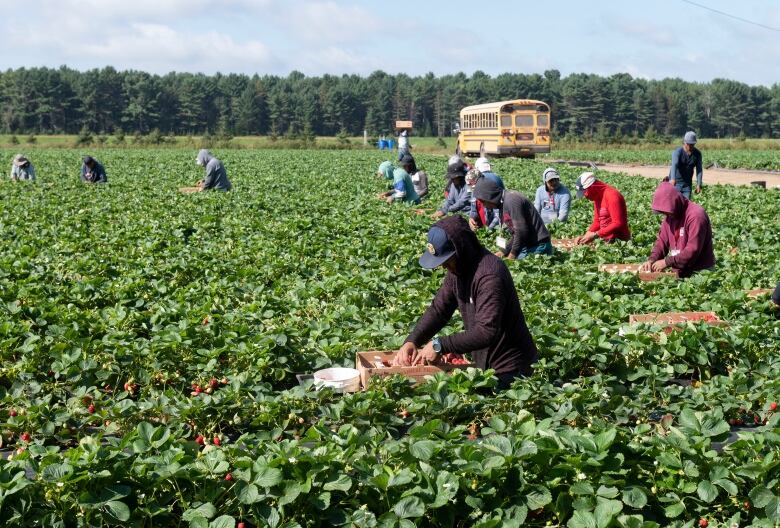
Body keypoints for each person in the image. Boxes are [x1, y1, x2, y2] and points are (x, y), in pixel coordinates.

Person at [393, 215, 538, 389]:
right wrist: (413, 341)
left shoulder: (489, 274)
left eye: (447, 261)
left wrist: (440, 344)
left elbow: (486, 331)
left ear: (462, 249)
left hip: (511, 370)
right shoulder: (458, 270)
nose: (444, 266)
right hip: (484, 367)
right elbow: (439, 310)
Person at [639, 182, 715, 278]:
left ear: (675, 203)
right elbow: (662, 242)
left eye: (667, 212)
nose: (666, 215)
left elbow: (693, 250)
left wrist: (667, 262)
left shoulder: (696, 216)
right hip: (680, 269)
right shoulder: (670, 215)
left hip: (700, 272)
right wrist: (652, 260)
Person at [473, 178, 553, 259]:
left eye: (483, 202)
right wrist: (503, 252)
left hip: (539, 246)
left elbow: (521, 231)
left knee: (510, 266)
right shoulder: (504, 202)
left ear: (489, 196)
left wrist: (512, 255)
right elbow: (516, 234)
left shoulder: (512, 200)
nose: (484, 206)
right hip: (529, 245)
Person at [573, 172, 630, 245]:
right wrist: (585, 237)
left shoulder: (612, 196)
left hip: (619, 242)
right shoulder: (597, 197)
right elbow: (597, 221)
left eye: (585, 193)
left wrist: (595, 235)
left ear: (592, 187)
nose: (585, 196)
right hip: (606, 240)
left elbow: (617, 223)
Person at [470, 157, 504, 229]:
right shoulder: (496, 178)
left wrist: (489, 230)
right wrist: (472, 217)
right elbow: (474, 202)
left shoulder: (487, 180)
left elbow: (498, 212)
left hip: (491, 223)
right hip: (488, 222)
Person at [669, 131, 703, 199]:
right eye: (688, 144)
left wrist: (699, 184)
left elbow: (699, 170)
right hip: (676, 184)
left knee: (685, 205)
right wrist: (672, 179)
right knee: (674, 205)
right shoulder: (677, 152)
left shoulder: (697, 154)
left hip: (687, 185)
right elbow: (674, 165)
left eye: (692, 144)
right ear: (684, 142)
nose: (690, 146)